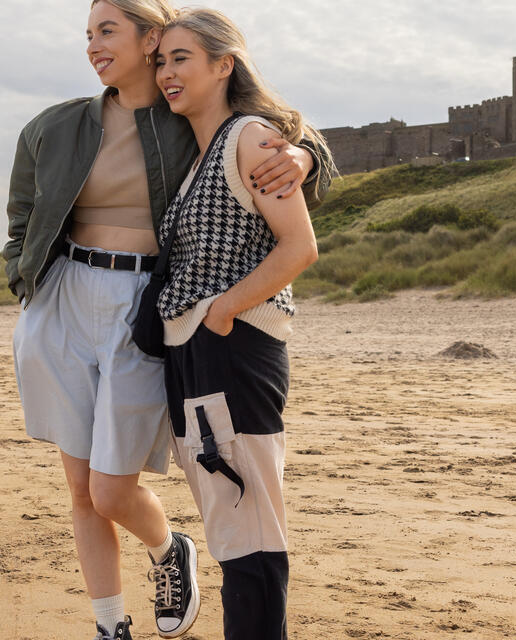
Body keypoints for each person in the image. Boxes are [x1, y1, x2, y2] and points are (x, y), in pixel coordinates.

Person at [3, 2, 328, 638]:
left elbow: (276, 140)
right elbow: (22, 208)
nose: (94, 46)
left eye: (108, 31)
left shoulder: (194, 119)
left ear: (150, 38)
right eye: (88, 34)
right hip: (77, 299)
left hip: (162, 312)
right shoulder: (61, 125)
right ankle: (109, 625)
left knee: (123, 490)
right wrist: (22, 271)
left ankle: (169, 552)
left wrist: (306, 156)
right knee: (90, 488)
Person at [153, 9, 325, 639]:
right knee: (232, 530)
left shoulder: (248, 137)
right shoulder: (201, 154)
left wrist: (222, 311)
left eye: (182, 58)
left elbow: (298, 246)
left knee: (251, 531)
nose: (168, 73)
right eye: (161, 61)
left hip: (234, 348)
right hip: (199, 354)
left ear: (224, 64)